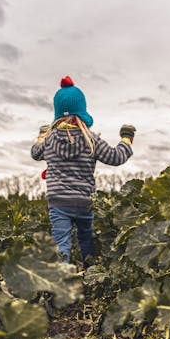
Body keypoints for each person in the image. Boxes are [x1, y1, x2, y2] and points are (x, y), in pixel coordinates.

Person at [31, 76, 135, 265]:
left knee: (61, 244)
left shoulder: (49, 140)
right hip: (84, 201)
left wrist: (41, 135)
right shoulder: (91, 140)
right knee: (86, 240)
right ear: (82, 111)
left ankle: (61, 283)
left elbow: (35, 153)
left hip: (58, 202)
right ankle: (90, 278)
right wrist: (126, 139)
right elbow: (116, 157)